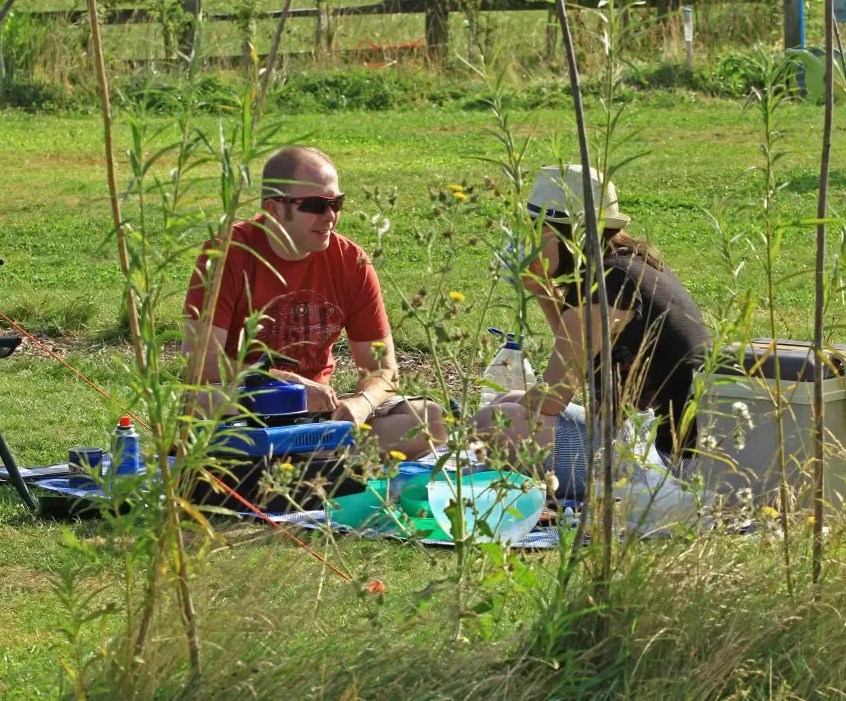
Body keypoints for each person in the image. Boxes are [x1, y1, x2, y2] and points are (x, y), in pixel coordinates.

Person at [182, 146, 444, 458]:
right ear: (274, 209)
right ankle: (315, 456)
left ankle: (307, 455)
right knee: (200, 403)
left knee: (430, 419)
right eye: (317, 205)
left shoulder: (351, 261)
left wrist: (362, 404)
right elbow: (201, 365)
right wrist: (288, 384)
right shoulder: (227, 253)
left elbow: (384, 369)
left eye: (336, 203)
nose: (330, 216)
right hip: (246, 406)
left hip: (318, 414)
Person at [474, 165, 710, 499]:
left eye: (534, 231)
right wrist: (542, 290)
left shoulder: (608, 287)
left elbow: (552, 399)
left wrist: (509, 411)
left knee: (490, 424)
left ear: (570, 237)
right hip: (651, 443)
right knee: (503, 405)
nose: (525, 242)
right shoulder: (624, 268)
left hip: (669, 468)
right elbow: (584, 357)